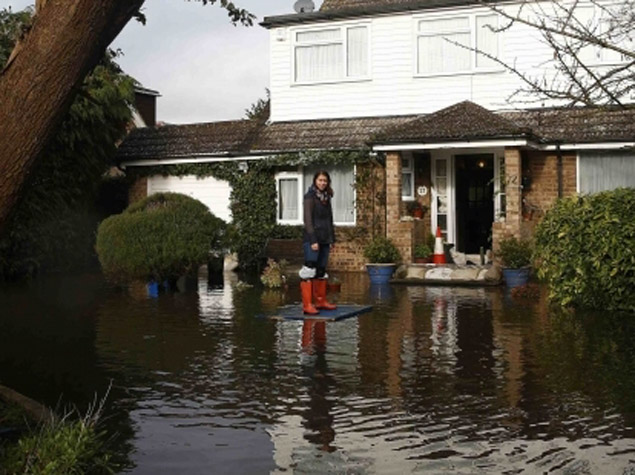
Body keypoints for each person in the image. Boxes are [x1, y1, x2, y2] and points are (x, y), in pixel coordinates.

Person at [299, 170, 337, 315]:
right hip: (312, 239)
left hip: (325, 238)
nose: (322, 183)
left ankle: (320, 301)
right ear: (315, 181)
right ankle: (307, 305)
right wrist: (313, 240)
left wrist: (332, 239)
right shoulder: (309, 197)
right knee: (309, 269)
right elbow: (308, 220)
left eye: (325, 181)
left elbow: (329, 220)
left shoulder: (326, 198)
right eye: (320, 180)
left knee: (321, 270)